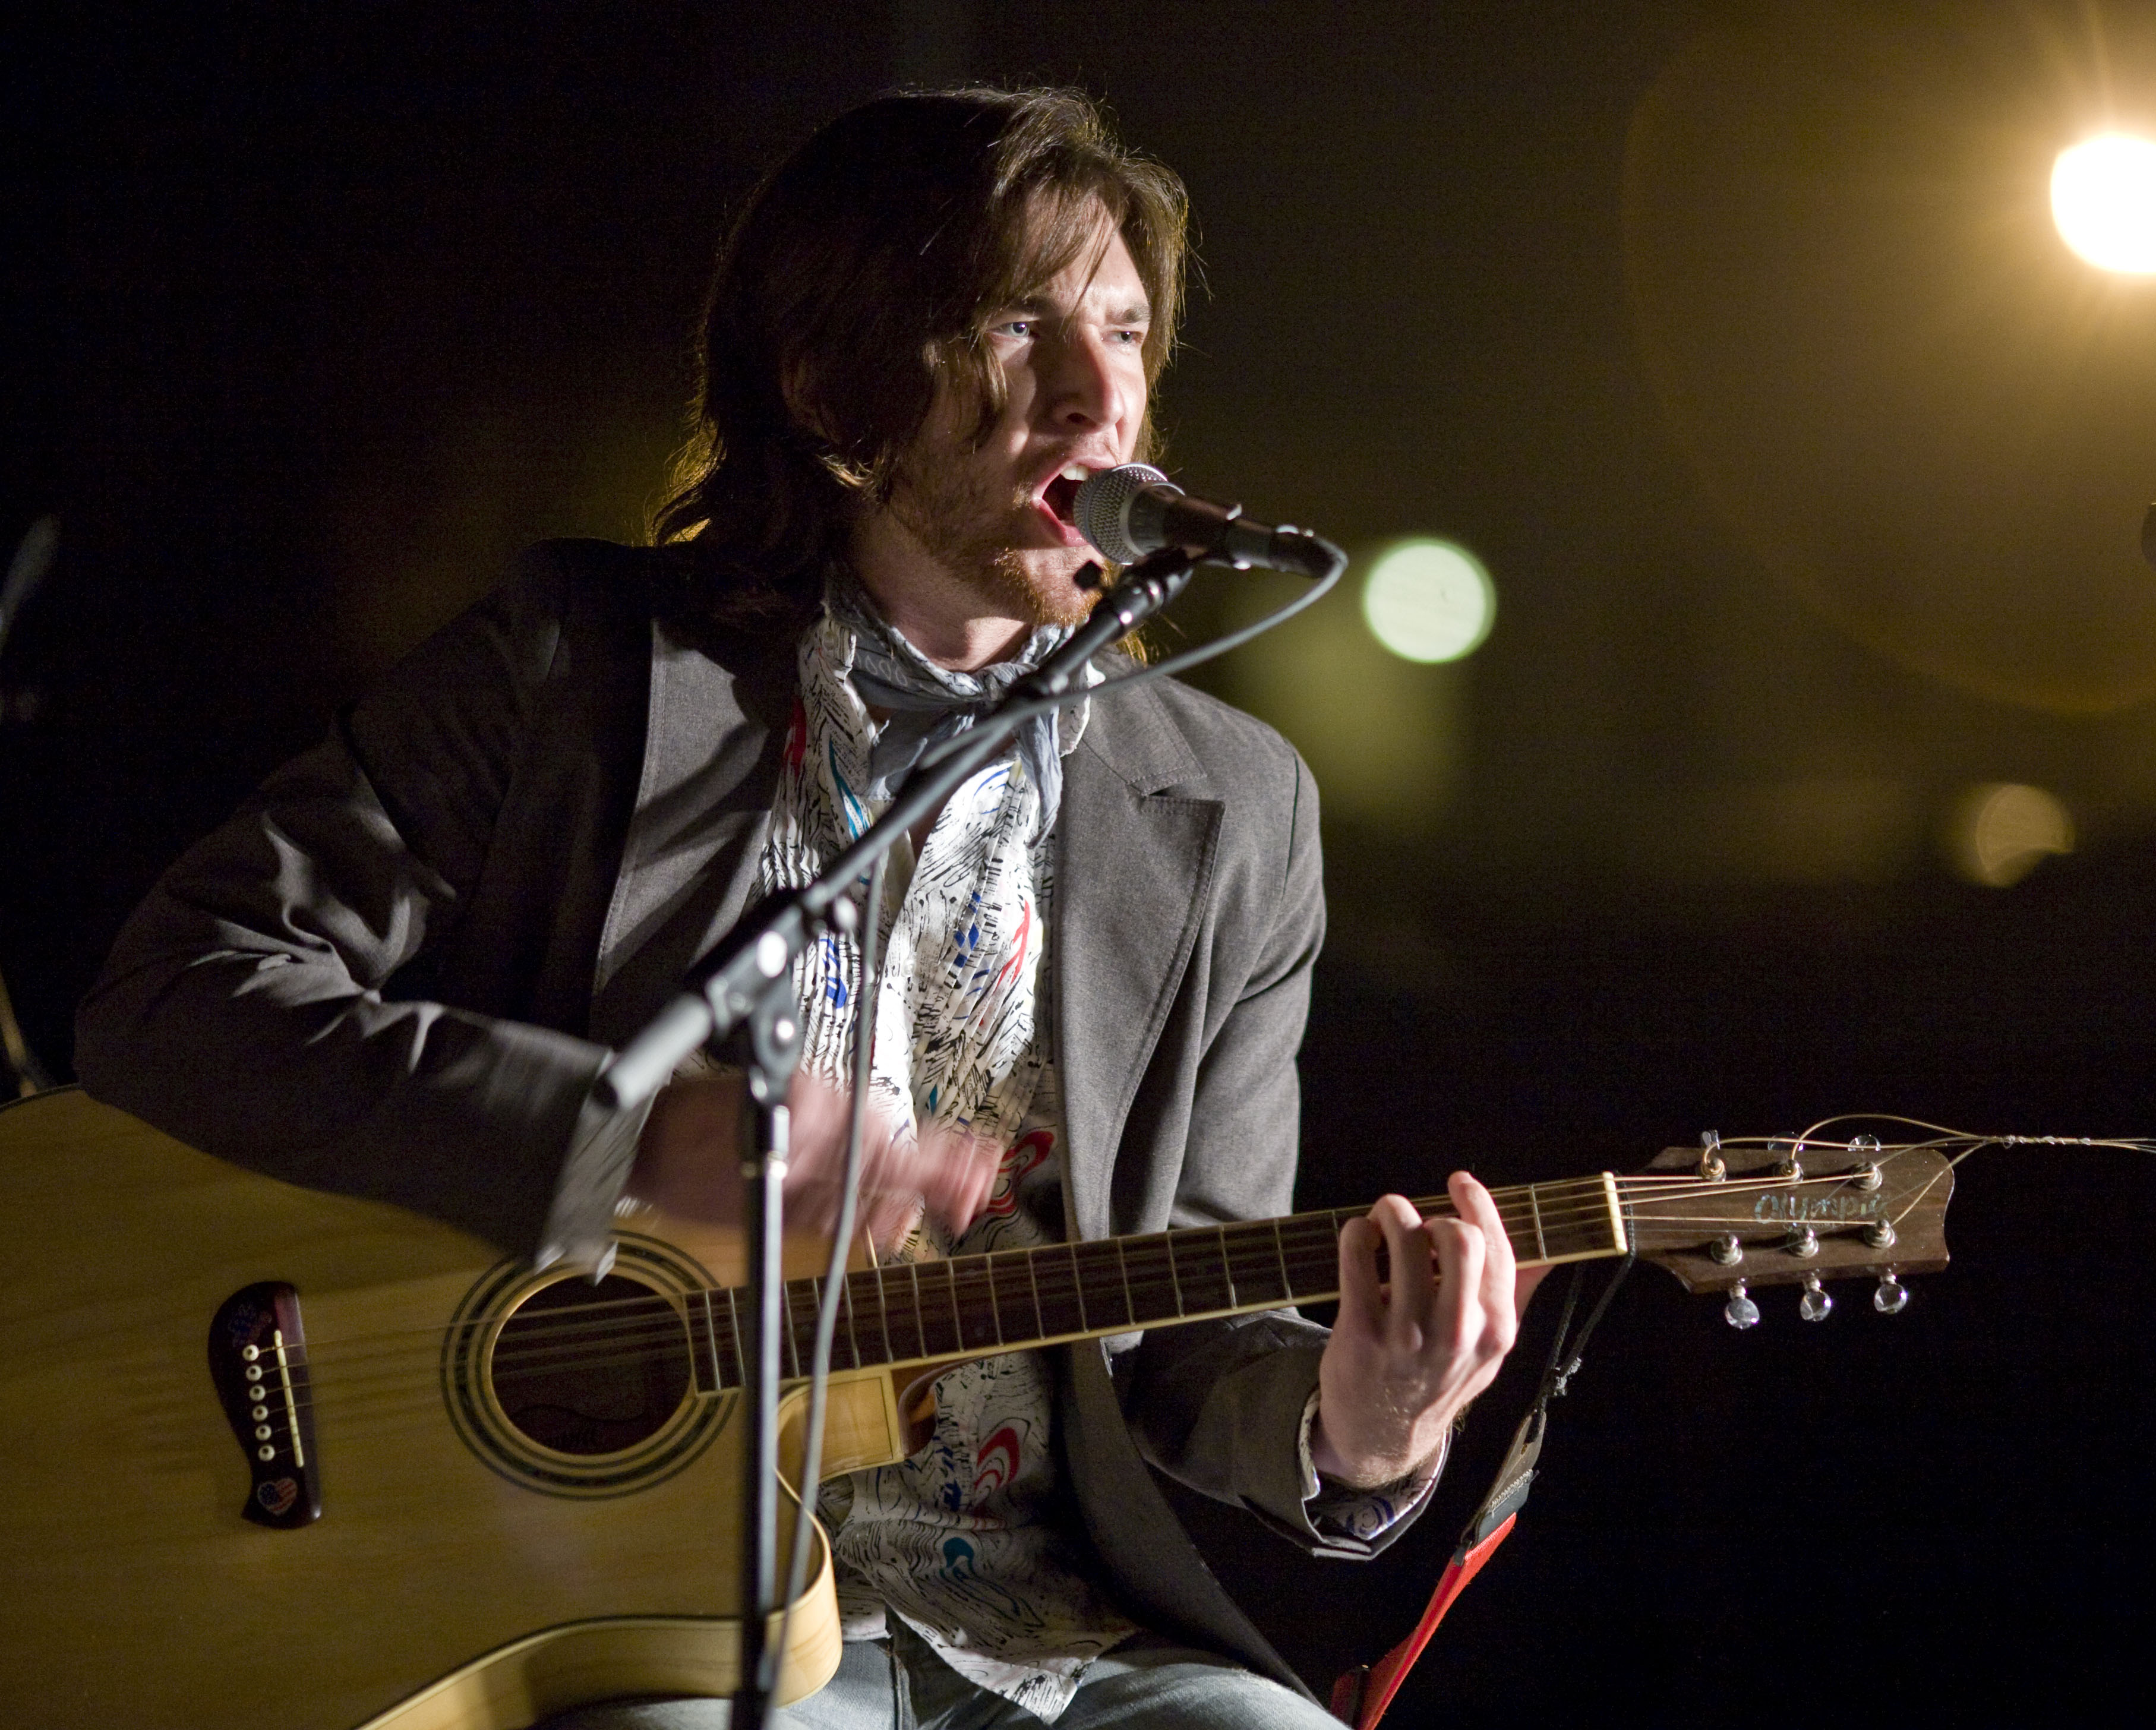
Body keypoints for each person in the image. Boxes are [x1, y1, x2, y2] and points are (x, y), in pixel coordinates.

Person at [75, 86, 1536, 1729]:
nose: (1097, 391)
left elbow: (1189, 1320)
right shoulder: (582, 674)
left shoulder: (1237, 808)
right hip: (625, 1597)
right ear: (839, 393)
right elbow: (172, 988)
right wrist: (622, 1139)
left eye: (1125, 329)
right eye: (1015, 324)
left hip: (1049, 1635)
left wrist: (1358, 1432)